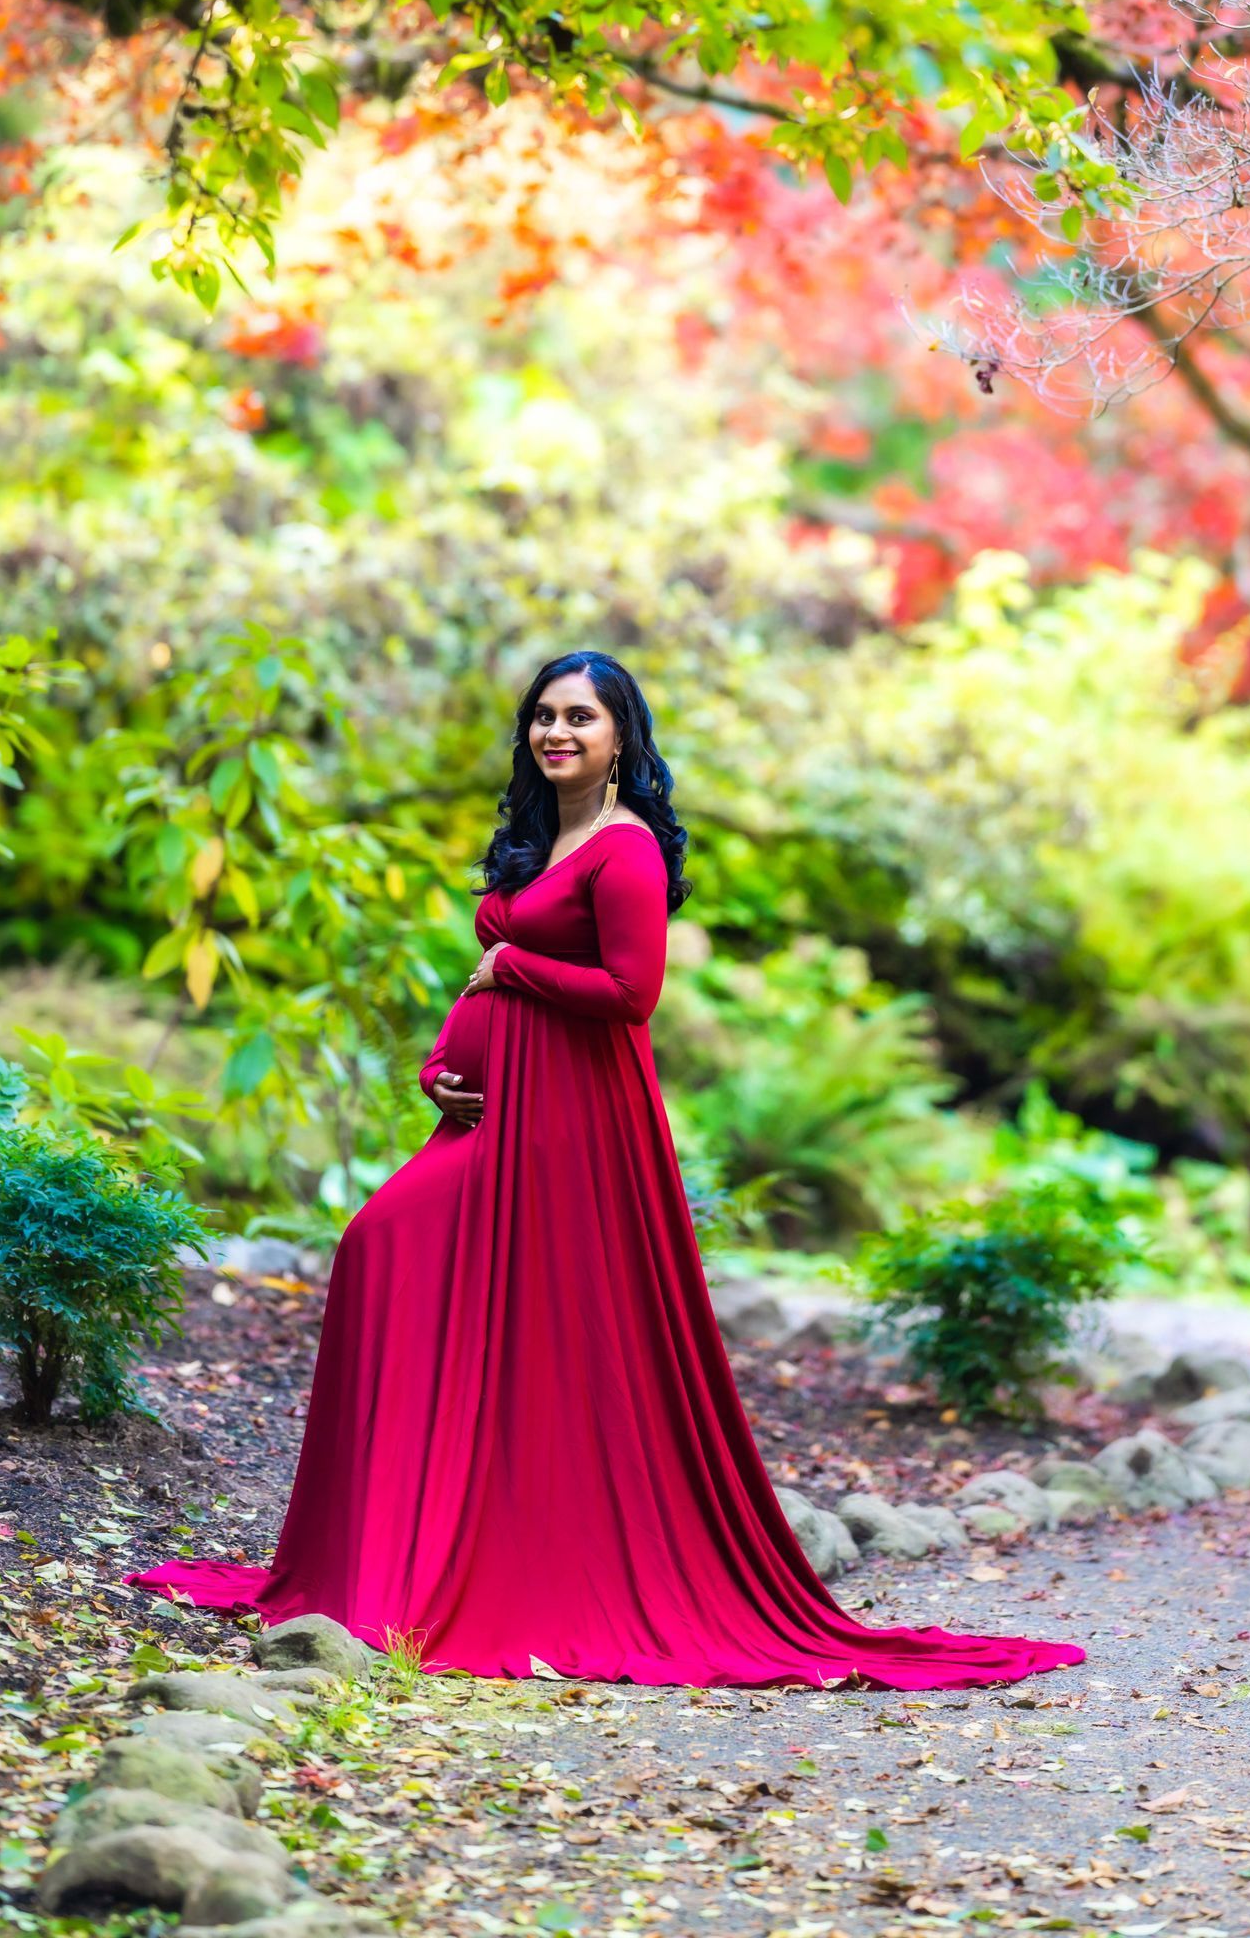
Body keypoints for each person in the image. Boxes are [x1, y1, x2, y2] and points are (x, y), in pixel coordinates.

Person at [131, 652, 1081, 1689]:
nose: (557, 731)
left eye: (580, 716)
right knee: (386, 1258)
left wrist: (512, 966)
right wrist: (440, 1066)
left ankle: (453, 1557)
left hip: (569, 1124)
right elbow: (486, 986)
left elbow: (631, 993)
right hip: (492, 1118)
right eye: (544, 715)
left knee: (416, 1264)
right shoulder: (543, 838)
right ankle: (393, 1548)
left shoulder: (624, 850)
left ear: (621, 733)